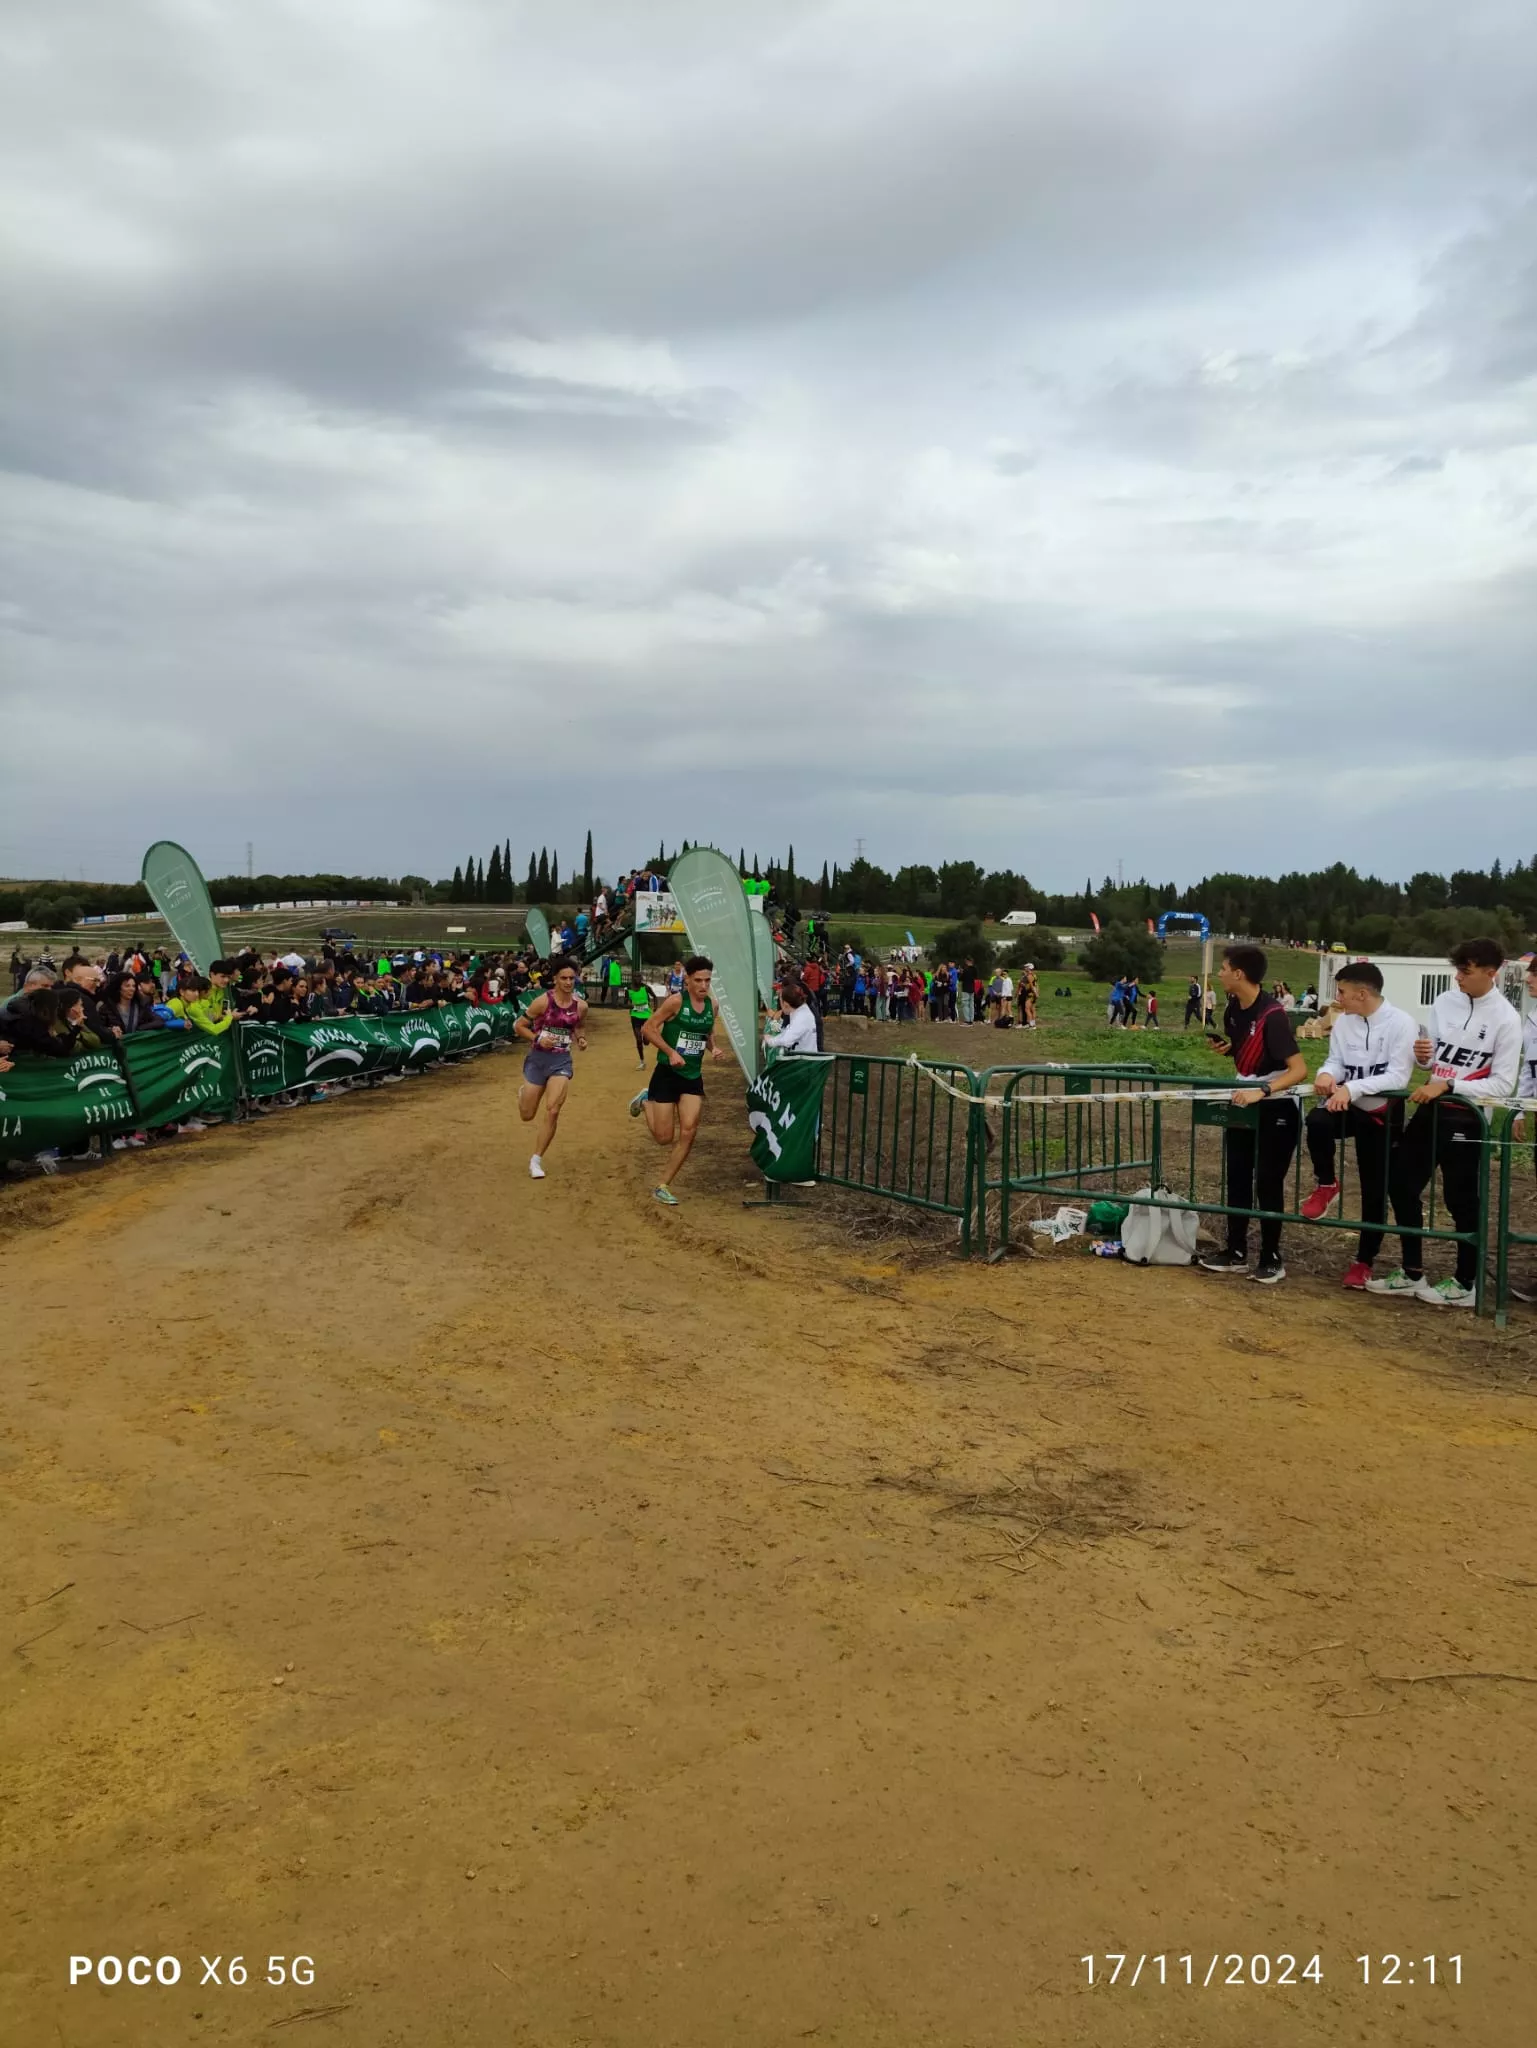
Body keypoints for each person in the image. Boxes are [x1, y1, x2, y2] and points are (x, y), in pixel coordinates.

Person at [1368, 938, 1521, 1307]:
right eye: (1456, 970)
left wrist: (1451, 1084)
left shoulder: (1506, 1018)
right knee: (1402, 1186)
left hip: (1468, 1119)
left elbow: (1502, 1084)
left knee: (1461, 1200)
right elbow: (1431, 1062)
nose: (1458, 978)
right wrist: (1424, 1058)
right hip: (1429, 1109)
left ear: (1491, 972)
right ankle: (1411, 1271)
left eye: (1465, 972)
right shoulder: (1444, 1002)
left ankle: (1466, 1282)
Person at [1299, 961, 1416, 1288]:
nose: (1337, 998)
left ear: (1362, 993)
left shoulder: (1402, 1023)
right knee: (1317, 1121)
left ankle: (1364, 1260)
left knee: (1374, 1189)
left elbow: (1397, 1076)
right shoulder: (1345, 1022)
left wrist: (1351, 1088)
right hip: (1347, 1103)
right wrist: (1327, 1074)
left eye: (1342, 992)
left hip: (1381, 1112)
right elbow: (1337, 1060)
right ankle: (1326, 1183)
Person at [1197, 944, 1309, 1284]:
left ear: (1239, 974)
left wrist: (1263, 1091)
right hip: (1242, 1102)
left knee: (1269, 1183)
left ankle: (1273, 1256)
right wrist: (1228, 1048)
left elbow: (1299, 1069)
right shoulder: (1232, 1008)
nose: (1219, 973)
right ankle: (1235, 1251)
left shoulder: (1273, 1015)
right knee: (1238, 1177)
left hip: (1276, 1105)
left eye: (1223, 968)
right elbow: (1245, 1047)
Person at [629, 954, 727, 1206]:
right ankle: (645, 1101)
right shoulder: (675, 1002)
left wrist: (713, 1048)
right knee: (664, 1138)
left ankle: (663, 1185)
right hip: (667, 1074)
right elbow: (648, 1029)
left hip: (692, 1077)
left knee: (689, 1130)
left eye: (708, 980)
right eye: (698, 980)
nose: (704, 986)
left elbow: (706, 1032)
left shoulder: (712, 1006)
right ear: (687, 980)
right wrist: (671, 1052)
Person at [513, 956, 588, 1180]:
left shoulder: (581, 1005)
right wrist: (537, 1039)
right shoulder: (542, 1002)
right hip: (538, 1060)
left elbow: (579, 1026)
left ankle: (536, 1159)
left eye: (571, 978)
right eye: (563, 978)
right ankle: (523, 1095)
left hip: (561, 1061)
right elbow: (519, 1025)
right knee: (527, 1114)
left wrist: (581, 1039)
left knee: (553, 1109)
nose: (568, 982)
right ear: (554, 979)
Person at [764, 976, 820, 1059]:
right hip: (804, 1059)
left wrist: (770, 1040)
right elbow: (788, 1031)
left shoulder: (801, 1017)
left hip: (804, 1064)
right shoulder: (800, 1010)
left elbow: (787, 1040)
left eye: (780, 1001)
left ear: (786, 1004)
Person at [627, 977, 653, 1069]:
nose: (638, 979)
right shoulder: (629, 989)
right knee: (638, 1040)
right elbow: (626, 1002)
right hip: (635, 1017)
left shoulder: (646, 988)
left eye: (639, 977)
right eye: (636, 977)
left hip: (646, 1016)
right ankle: (642, 1061)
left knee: (646, 1042)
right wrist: (631, 1005)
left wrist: (655, 1008)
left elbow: (655, 996)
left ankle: (647, 1038)